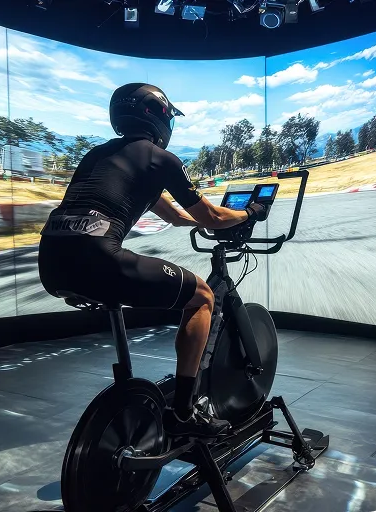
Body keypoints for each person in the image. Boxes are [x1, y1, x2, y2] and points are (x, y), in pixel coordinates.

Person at [38, 83, 266, 438]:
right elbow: (213, 216)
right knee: (202, 297)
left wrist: (203, 222)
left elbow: (174, 216)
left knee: (146, 285)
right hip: (99, 259)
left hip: (51, 265)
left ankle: (140, 403)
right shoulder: (160, 159)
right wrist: (249, 212)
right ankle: (184, 415)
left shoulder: (97, 155)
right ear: (159, 118)